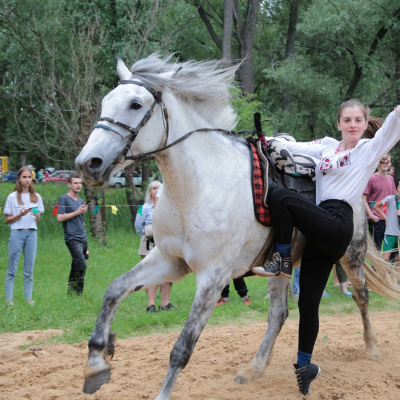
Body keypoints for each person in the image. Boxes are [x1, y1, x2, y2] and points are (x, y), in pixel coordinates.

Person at [252, 100, 400, 395]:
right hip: (319, 231)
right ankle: (305, 367)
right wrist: (264, 141)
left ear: (364, 122)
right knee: (307, 305)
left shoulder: (367, 150)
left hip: (340, 221)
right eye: (347, 120)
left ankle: (281, 256)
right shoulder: (327, 147)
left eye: (358, 120)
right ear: (339, 124)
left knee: (280, 197)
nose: (353, 125)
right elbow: (293, 148)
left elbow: (393, 126)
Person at [3, 167, 44, 305]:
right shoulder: (12, 197)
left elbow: (38, 219)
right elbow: (7, 220)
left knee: (29, 268)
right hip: (17, 233)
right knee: (12, 267)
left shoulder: (36, 197)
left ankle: (28, 299)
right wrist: (20, 214)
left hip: (32, 233)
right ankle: (9, 299)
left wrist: (36, 214)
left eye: (29, 177)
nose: (27, 180)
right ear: (19, 179)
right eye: (24, 177)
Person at [135, 180, 175, 313]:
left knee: (168, 272)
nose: (156, 191)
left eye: (158, 188)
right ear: (150, 191)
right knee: (152, 272)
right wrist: (147, 234)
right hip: (149, 241)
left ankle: (165, 303)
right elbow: (137, 225)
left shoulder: (168, 206)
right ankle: (150, 305)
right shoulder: (144, 207)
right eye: (153, 188)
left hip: (165, 242)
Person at [57, 173, 89, 295]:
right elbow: (59, 217)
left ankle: (71, 292)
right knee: (81, 264)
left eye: (80, 183)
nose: (78, 185)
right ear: (69, 185)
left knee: (77, 264)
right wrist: (77, 212)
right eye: (75, 183)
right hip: (72, 237)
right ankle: (78, 293)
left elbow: (81, 221)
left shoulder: (80, 200)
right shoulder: (64, 198)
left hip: (83, 237)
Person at [362, 153, 396, 250]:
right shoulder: (371, 178)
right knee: (376, 249)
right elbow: (363, 199)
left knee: (390, 250)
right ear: (378, 163)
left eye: (387, 161)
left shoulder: (391, 179)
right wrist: (371, 216)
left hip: (389, 220)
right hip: (376, 220)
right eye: (382, 161)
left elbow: (393, 199)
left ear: (390, 163)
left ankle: (387, 266)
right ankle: (374, 266)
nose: (385, 164)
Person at [373, 177, 400, 265]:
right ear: (397, 188)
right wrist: (385, 217)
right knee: (385, 258)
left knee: (398, 259)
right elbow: (376, 206)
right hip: (390, 233)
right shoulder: (390, 198)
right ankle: (385, 277)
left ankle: (396, 278)